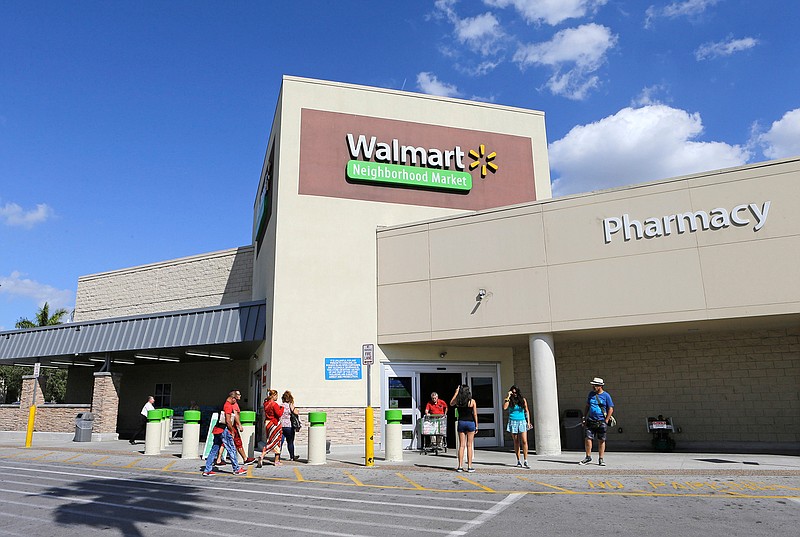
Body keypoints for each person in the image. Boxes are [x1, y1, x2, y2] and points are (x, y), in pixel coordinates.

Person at [202, 391, 247, 476]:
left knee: (214, 449)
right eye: (235, 399)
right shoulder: (228, 406)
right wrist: (232, 431)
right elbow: (228, 420)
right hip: (224, 430)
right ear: (232, 398)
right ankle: (236, 469)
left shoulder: (223, 404)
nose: (236, 401)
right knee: (231, 448)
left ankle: (207, 470)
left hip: (217, 429)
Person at [579, 377, 615, 467]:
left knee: (601, 440)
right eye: (593, 385)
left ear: (600, 386)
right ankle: (588, 456)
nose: (593, 386)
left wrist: (606, 419)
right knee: (588, 438)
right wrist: (584, 417)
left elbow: (610, 408)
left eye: (595, 385)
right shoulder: (591, 394)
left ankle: (601, 458)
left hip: (601, 421)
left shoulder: (606, 396)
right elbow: (587, 406)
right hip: (591, 420)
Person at [215, 390, 256, 466]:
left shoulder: (232, 403)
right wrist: (239, 424)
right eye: (239, 394)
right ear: (234, 396)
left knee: (224, 443)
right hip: (232, 426)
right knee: (237, 442)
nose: (240, 396)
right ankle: (244, 459)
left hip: (230, 426)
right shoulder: (233, 404)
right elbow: (235, 415)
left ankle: (219, 459)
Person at [450, 384, 478, 473]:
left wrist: (456, 392)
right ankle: (469, 466)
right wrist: (476, 425)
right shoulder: (472, 401)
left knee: (462, 445)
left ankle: (460, 466)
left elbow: (451, 403)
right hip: (470, 423)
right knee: (469, 445)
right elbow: (475, 414)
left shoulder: (458, 401)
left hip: (461, 422)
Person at [503, 385, 532, 468]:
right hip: (513, 421)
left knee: (524, 441)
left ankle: (525, 459)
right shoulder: (509, 400)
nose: (514, 394)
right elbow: (504, 407)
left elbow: (527, 411)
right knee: (516, 442)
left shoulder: (523, 400)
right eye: (513, 392)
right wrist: (508, 396)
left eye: (516, 392)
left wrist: (528, 422)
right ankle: (518, 460)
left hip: (522, 421)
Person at [257, 389, 284, 468]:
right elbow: (279, 414)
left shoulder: (266, 404)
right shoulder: (274, 404)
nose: (277, 398)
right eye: (276, 396)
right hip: (274, 423)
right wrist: (282, 408)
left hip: (267, 423)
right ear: (274, 395)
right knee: (275, 441)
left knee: (271, 440)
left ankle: (275, 460)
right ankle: (265, 456)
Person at [279, 390, 300, 462]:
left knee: (280, 442)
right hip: (289, 426)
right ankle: (292, 456)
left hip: (281, 426)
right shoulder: (290, 405)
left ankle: (277, 456)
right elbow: (296, 412)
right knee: (290, 442)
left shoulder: (280, 406)